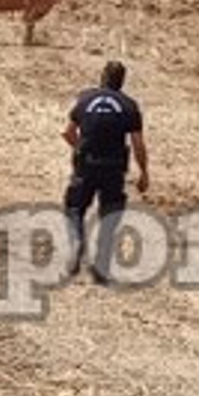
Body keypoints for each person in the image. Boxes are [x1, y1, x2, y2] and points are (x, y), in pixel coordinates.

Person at [63, 60, 149, 285]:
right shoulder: (129, 105)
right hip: (113, 166)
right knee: (110, 215)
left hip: (86, 163)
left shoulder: (85, 98)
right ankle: (101, 267)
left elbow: (68, 133)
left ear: (102, 77)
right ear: (122, 81)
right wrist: (144, 172)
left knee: (75, 208)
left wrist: (81, 149)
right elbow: (138, 143)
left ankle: (76, 248)